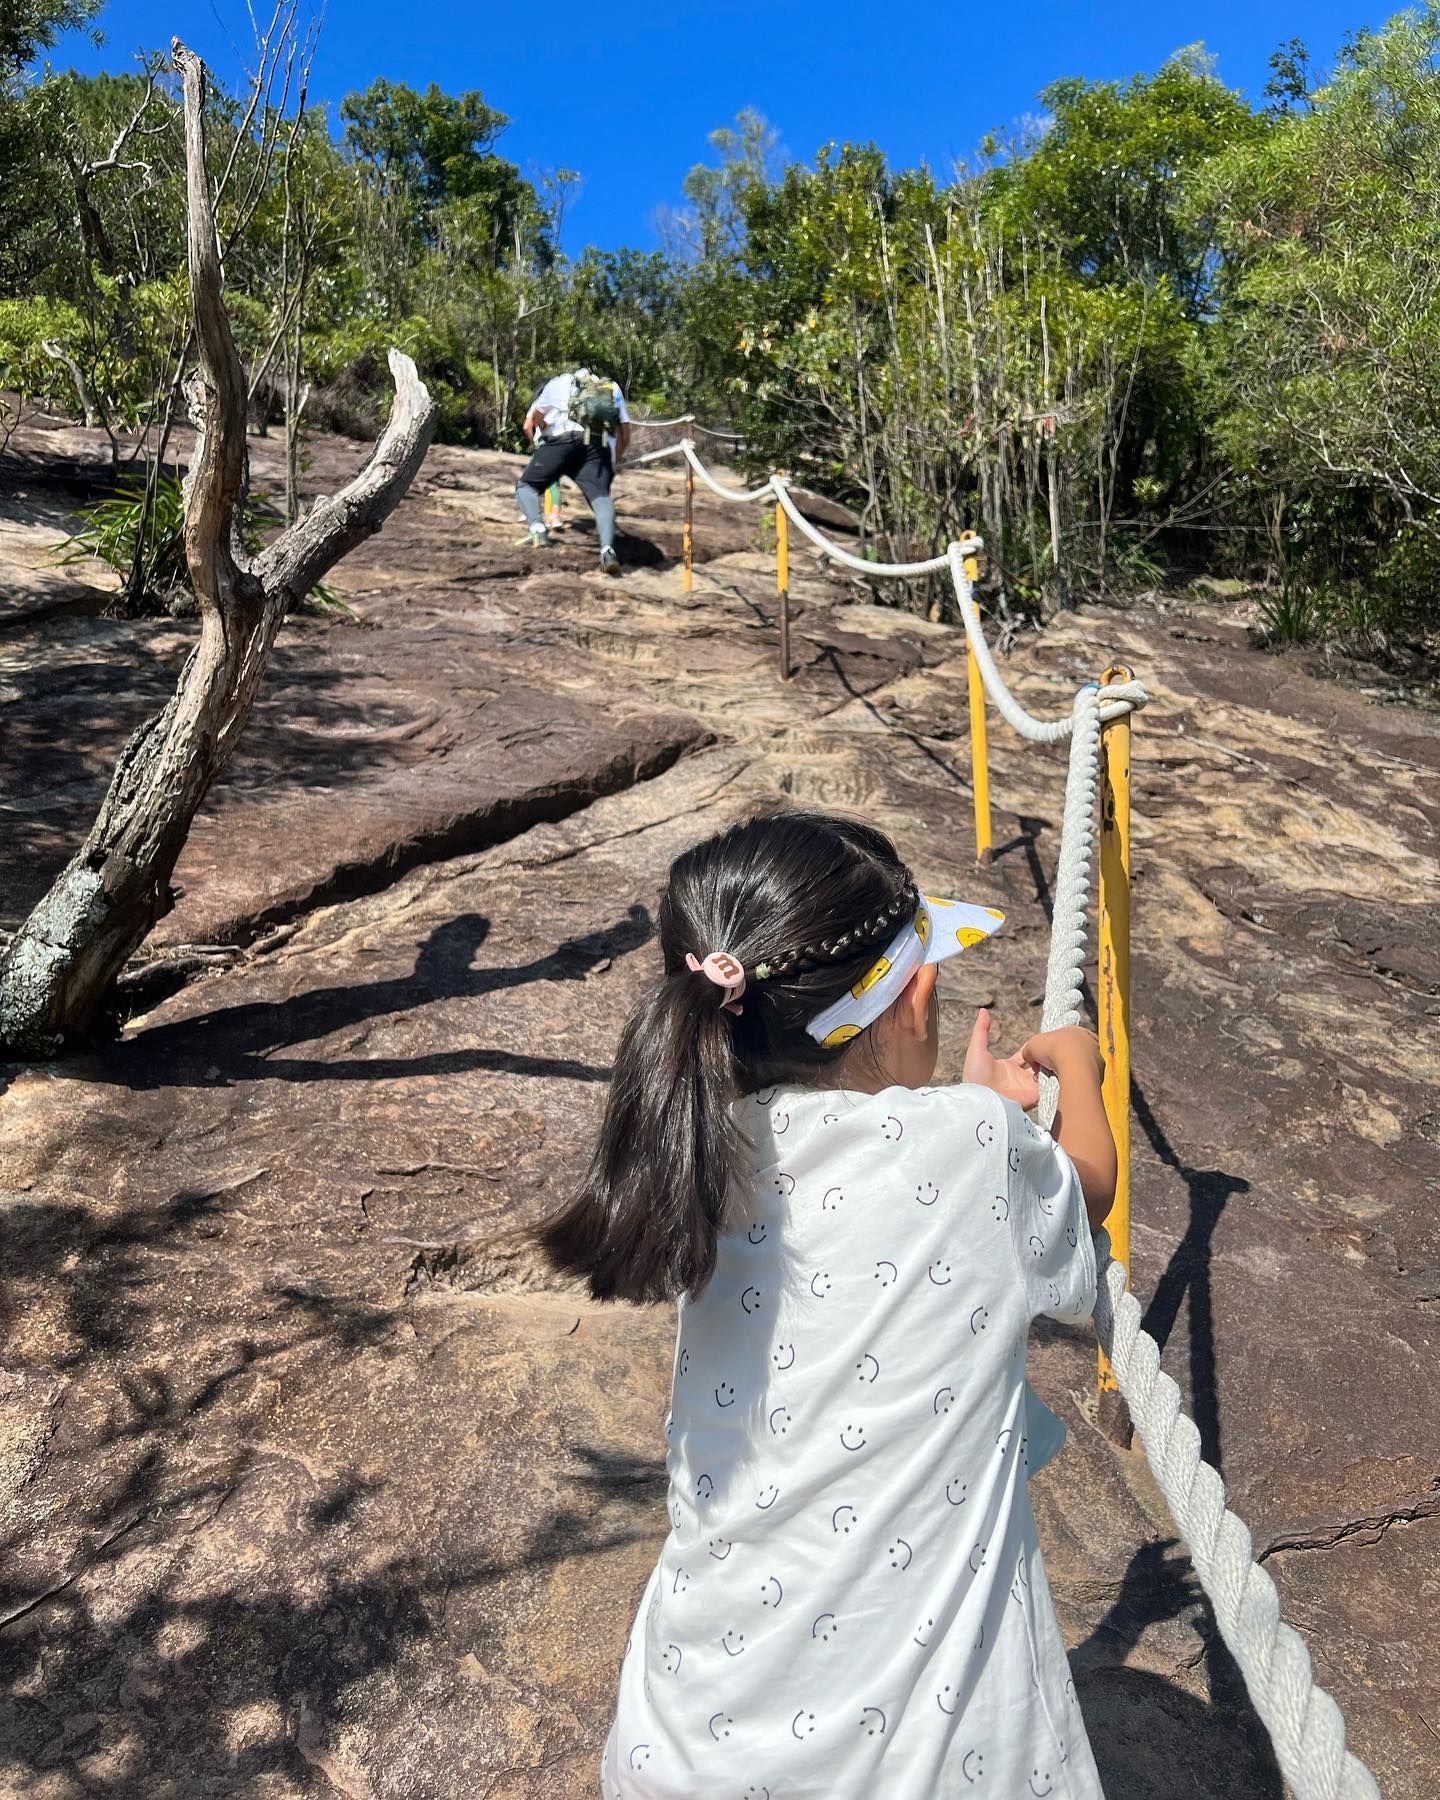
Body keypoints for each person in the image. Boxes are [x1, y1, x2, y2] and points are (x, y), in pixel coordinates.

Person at [540, 809, 1117, 1800]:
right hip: (919, 1765)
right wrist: (1080, 1074)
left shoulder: (704, 1151)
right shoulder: (975, 1145)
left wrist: (971, 1118)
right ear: (915, 997)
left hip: (681, 1737)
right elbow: (1091, 1189)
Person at [516, 367, 632, 576]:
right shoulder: (611, 387)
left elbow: (535, 419)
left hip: (562, 441)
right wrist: (615, 459)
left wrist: (544, 443)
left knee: (526, 486)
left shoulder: (558, 382)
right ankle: (607, 551)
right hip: (597, 447)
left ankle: (538, 529)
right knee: (601, 498)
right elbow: (625, 432)